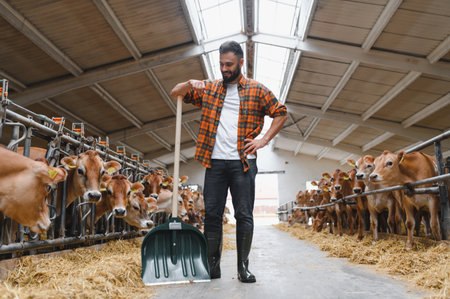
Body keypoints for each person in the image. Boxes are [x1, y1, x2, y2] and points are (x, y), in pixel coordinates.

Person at [170, 41, 287, 283]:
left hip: (243, 163)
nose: (224, 68)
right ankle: (213, 266)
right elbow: (175, 92)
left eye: (229, 64)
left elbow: (280, 112)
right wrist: (190, 83)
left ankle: (243, 268)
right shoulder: (210, 88)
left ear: (241, 63)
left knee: (244, 214)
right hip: (214, 162)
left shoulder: (257, 90)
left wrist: (264, 139)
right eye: (221, 64)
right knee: (212, 214)